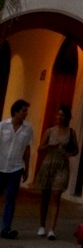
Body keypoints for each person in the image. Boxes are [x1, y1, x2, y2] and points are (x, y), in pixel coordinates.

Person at [36, 104, 79, 239]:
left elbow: (76, 149)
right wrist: (49, 146)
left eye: (63, 115)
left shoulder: (71, 132)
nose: (60, 117)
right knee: (45, 196)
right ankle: (42, 225)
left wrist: (69, 154)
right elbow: (39, 149)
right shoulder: (49, 131)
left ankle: (51, 229)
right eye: (58, 114)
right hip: (48, 164)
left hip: (61, 166)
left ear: (67, 117)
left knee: (56, 195)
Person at [0, 99, 33, 239]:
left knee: (11, 198)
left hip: (16, 167)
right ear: (16, 112)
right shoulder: (3, 126)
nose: (26, 114)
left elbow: (27, 149)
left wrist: (27, 167)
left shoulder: (28, 129)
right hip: (1, 166)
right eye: (23, 111)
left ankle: (6, 228)